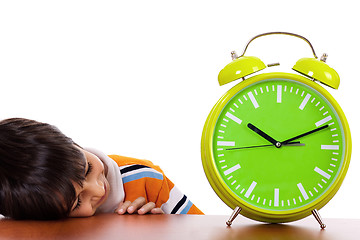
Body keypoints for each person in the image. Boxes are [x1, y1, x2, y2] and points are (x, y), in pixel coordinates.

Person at [0, 118, 203, 220]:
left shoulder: (146, 178)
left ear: (74, 144)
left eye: (87, 169)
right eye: (77, 202)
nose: (98, 190)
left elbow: (202, 229)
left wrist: (163, 226)